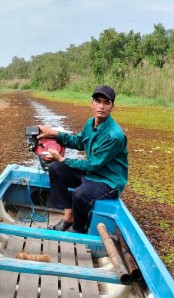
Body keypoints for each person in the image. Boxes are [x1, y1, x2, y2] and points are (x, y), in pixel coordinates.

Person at [38, 85, 128, 233]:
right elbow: (79, 142)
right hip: (91, 174)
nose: (101, 106)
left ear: (112, 106)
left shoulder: (114, 135)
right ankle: (69, 215)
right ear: (92, 103)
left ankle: (79, 227)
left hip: (107, 180)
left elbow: (93, 165)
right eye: (98, 101)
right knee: (55, 168)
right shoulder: (90, 123)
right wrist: (54, 134)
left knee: (79, 194)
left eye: (106, 103)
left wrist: (62, 158)